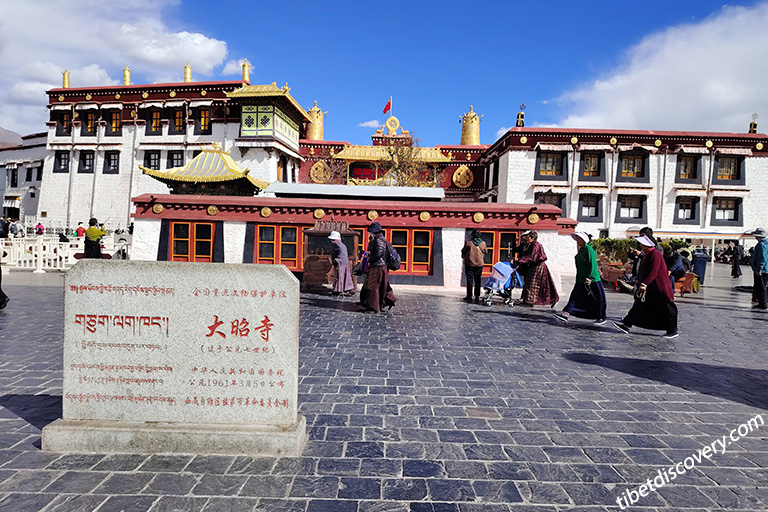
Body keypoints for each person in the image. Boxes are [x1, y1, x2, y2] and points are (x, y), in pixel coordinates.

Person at [614, 235, 679, 339]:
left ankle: (673, 330)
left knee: (667, 307)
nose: (640, 245)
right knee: (639, 305)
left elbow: (654, 271)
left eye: (642, 243)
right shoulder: (647, 254)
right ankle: (627, 324)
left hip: (659, 287)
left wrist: (644, 284)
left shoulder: (655, 255)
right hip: (651, 287)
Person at [553, 232, 606, 325]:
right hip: (581, 279)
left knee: (598, 299)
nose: (577, 240)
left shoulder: (589, 250)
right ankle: (566, 313)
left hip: (592, 280)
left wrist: (591, 277)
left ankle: (601, 317)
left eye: (579, 238)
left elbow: (593, 265)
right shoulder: (581, 250)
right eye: (577, 238)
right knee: (575, 297)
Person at [514, 230, 559, 307]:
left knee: (535, 284)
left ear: (532, 238)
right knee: (529, 283)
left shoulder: (536, 245)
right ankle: (527, 299)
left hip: (538, 268)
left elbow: (532, 257)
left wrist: (519, 260)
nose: (527, 239)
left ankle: (532, 300)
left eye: (528, 237)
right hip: (532, 267)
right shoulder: (530, 245)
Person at [360, 222, 396, 313]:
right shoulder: (378, 239)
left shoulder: (378, 240)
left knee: (373, 286)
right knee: (378, 286)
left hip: (378, 266)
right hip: (380, 266)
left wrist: (369, 258)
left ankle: (373, 307)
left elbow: (379, 254)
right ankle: (376, 305)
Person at [461, 229, 487, 303]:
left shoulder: (469, 243)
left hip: (470, 264)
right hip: (479, 264)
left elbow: (463, 251)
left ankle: (469, 296)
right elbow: (485, 251)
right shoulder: (483, 243)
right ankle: (477, 296)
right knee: (478, 280)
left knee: (470, 280)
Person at [328, 231, 355, 296]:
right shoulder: (342, 244)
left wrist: (334, 262)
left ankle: (337, 290)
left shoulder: (335, 244)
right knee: (346, 276)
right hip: (345, 262)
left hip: (339, 262)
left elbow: (333, 254)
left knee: (339, 276)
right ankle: (349, 288)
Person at [749, 227, 768, 311]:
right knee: (760, 286)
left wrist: (759, 269)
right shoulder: (766, 244)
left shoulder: (761, 245)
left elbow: (762, 258)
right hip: (766, 269)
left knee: (761, 287)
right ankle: (762, 302)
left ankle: (763, 304)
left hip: (762, 270)